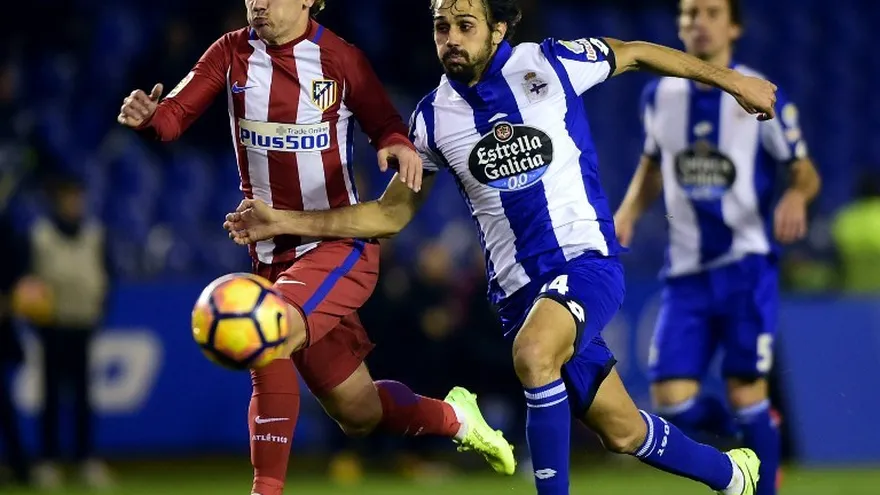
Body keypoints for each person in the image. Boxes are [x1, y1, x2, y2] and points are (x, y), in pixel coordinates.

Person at [224, 0, 782, 493]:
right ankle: (734, 476)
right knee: (623, 430)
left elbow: (634, 52)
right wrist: (284, 220)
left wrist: (733, 81)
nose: (451, 39)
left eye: (465, 25)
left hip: (584, 261)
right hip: (518, 293)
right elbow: (389, 214)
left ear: (498, 29)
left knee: (535, 354)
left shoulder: (552, 63)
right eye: (441, 27)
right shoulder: (431, 118)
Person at [117, 1, 514, 494]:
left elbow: (385, 122)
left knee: (269, 330)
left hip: (339, 245)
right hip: (273, 257)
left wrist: (394, 144)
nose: (257, 4)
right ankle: (456, 418)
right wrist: (150, 117)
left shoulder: (340, 59)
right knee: (359, 410)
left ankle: (266, 490)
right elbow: (174, 118)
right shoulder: (231, 51)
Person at [613, 1, 821, 494]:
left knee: (744, 387)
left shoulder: (759, 93)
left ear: (734, 26)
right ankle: (753, 431)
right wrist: (628, 211)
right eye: (688, 14)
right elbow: (653, 164)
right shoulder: (659, 94)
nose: (697, 23)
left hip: (745, 265)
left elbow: (804, 168)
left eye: (709, 12)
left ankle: (760, 477)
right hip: (685, 272)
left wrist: (796, 193)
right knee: (671, 401)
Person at [23, 173, 114, 489]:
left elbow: (106, 275)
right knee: (50, 396)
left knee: (83, 397)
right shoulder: (41, 235)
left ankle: (85, 459)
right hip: (52, 325)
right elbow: (29, 280)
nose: (74, 202)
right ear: (57, 200)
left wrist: (100, 309)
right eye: (68, 196)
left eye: (78, 196)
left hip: (84, 324)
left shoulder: (94, 233)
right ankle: (48, 460)